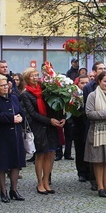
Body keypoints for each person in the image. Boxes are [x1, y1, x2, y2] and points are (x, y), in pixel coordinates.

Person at [20, 67, 65, 195]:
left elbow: (55, 105)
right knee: (41, 154)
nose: (35, 78)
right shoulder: (25, 94)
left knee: (50, 154)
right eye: (32, 76)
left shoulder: (45, 90)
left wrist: (60, 118)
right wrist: (48, 120)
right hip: (38, 126)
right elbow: (32, 113)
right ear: (27, 79)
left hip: (51, 125)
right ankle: (39, 182)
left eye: (36, 75)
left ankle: (46, 181)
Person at [0, 74, 26, 203]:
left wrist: (20, 117)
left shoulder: (13, 98)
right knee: (1, 164)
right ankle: (3, 191)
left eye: (6, 84)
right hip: (0, 136)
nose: (5, 87)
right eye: (2, 85)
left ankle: (14, 190)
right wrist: (11, 118)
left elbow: (21, 111)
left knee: (15, 163)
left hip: (15, 135)